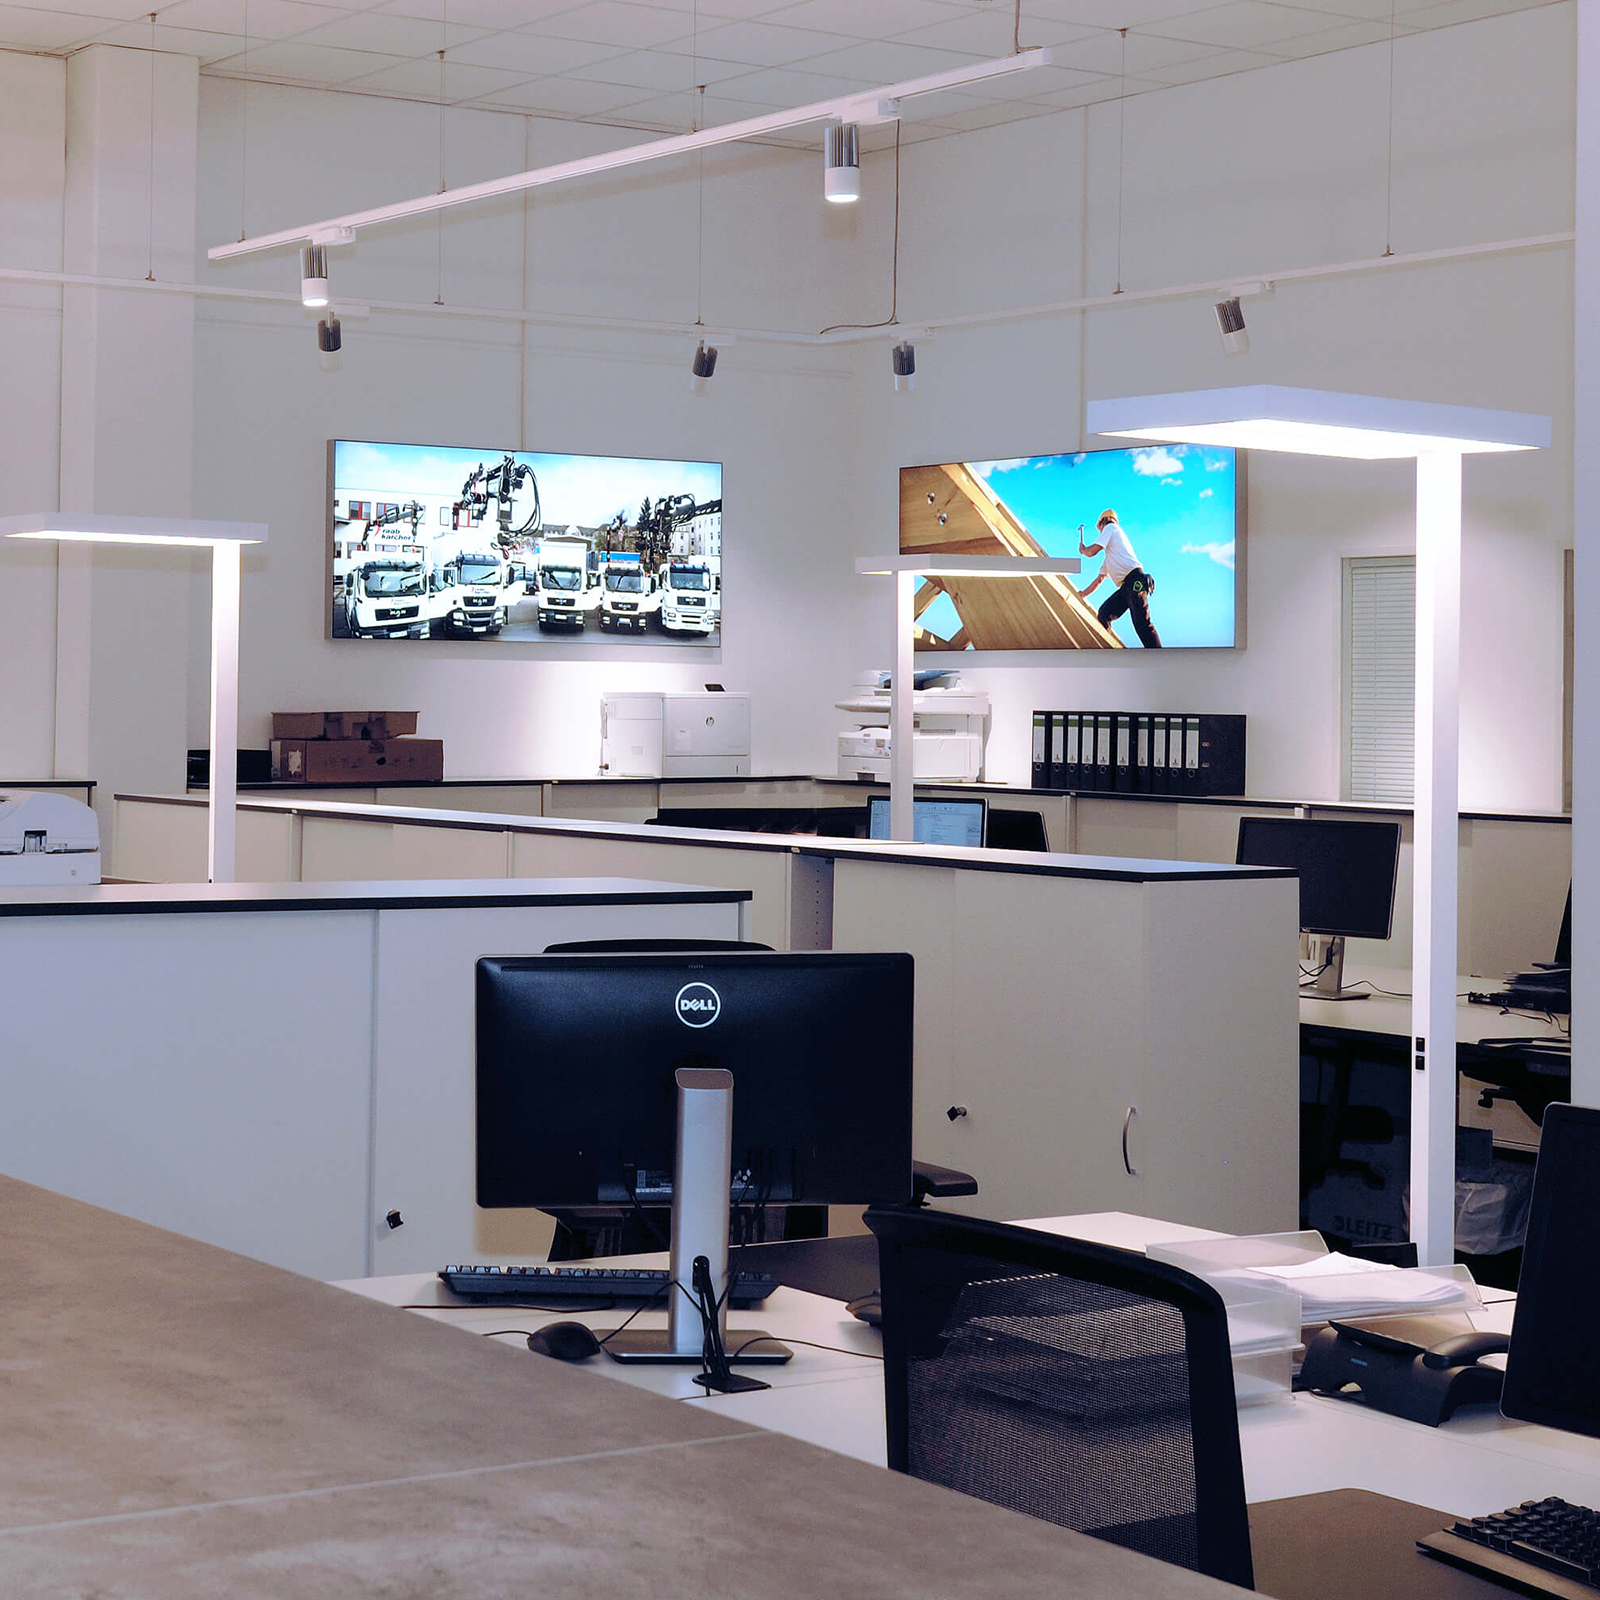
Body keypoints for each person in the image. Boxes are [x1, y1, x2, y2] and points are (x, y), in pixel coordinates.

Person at [1077, 508, 1162, 647]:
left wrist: (1084, 550)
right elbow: (1099, 580)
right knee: (1104, 613)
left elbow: (1092, 552)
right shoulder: (1111, 555)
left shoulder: (1111, 527)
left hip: (1135, 581)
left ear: (1103, 522)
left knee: (1142, 624)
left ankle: (1159, 657)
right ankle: (1107, 649)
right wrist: (1082, 594)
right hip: (1126, 587)